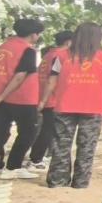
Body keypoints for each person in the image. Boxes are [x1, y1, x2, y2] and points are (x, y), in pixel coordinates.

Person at [39, 22, 102, 189]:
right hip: (94, 107)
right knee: (87, 145)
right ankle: (80, 182)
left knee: (61, 144)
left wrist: (43, 101)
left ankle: (57, 180)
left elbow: (51, 81)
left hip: (65, 106)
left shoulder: (62, 56)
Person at [0, 18, 44, 180]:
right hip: (22, 98)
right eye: (38, 34)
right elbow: (20, 76)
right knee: (28, 132)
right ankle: (13, 168)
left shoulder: (3, 47)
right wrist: (2, 95)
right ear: (33, 34)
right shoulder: (28, 50)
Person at [28, 30, 73, 171]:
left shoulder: (49, 54)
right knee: (49, 130)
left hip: (43, 95)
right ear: (68, 42)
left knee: (46, 129)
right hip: (52, 98)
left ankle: (38, 157)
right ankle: (36, 159)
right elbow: (54, 80)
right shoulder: (61, 55)